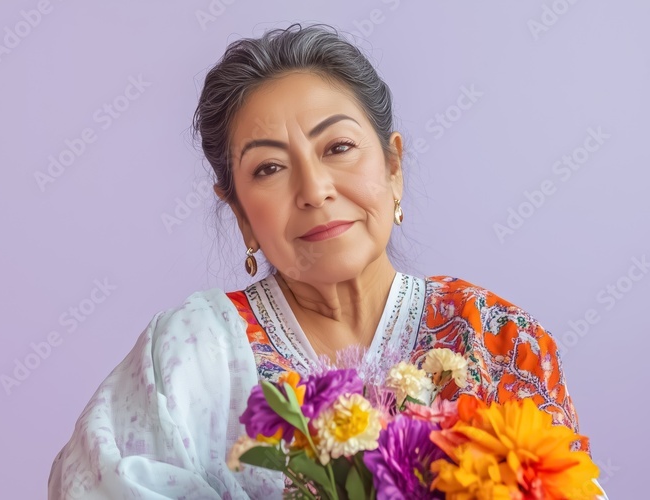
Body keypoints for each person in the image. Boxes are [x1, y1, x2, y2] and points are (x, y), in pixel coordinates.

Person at [48, 23, 604, 499]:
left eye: (337, 148)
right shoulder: (192, 356)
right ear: (241, 213)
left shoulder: (497, 340)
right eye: (268, 168)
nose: (314, 190)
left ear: (392, 167)